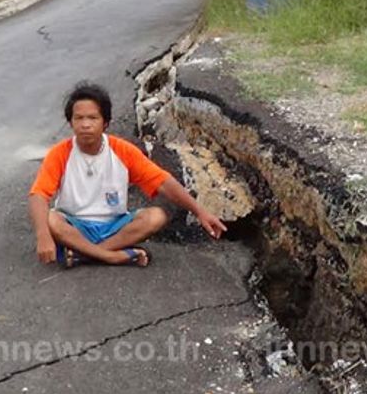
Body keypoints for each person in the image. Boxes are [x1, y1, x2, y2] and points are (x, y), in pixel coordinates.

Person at [28, 82, 227, 267]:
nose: (85, 124)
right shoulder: (59, 153)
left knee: (156, 216)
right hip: (75, 226)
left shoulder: (122, 150)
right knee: (52, 219)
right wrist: (42, 235)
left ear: (105, 122)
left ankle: (86, 255)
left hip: (114, 227)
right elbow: (38, 195)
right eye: (79, 118)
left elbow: (163, 182)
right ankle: (110, 255)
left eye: (93, 118)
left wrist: (200, 212)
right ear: (70, 122)